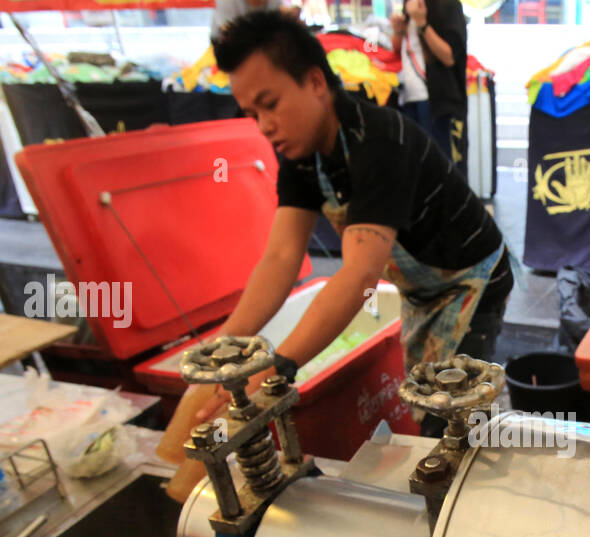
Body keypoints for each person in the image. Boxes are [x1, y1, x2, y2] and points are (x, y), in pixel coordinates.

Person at [188, 11, 511, 439]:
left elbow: (360, 274)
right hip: (423, 289)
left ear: (316, 83)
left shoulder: (379, 143)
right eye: (252, 113)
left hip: (474, 278)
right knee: (428, 401)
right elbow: (281, 257)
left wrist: (279, 367)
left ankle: (481, 478)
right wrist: (225, 349)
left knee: (450, 415)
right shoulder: (302, 157)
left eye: (271, 104)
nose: (265, 126)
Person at [389, 0, 469, 176]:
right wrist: (398, 30)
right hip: (408, 98)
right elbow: (397, 48)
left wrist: (422, 23)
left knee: (439, 168)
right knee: (415, 167)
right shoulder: (408, 4)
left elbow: (449, 57)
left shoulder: (448, 6)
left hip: (436, 100)